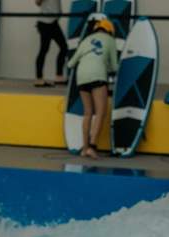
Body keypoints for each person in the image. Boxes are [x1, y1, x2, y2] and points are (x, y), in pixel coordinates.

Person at [68, 14, 118, 159]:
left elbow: (71, 64)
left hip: (81, 76)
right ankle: (92, 146)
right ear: (109, 30)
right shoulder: (110, 40)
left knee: (88, 113)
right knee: (101, 112)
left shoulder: (85, 40)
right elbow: (114, 66)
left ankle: (84, 148)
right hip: (97, 76)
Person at [33, 0, 68, 87]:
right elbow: (37, 2)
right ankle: (39, 79)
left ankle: (58, 76)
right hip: (45, 23)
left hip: (53, 22)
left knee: (64, 47)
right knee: (44, 50)